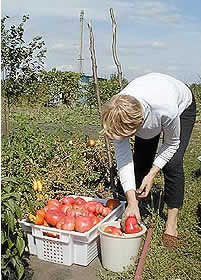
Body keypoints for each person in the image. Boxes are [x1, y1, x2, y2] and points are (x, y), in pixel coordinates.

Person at [101, 72, 196, 248]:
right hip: (148, 110)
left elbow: (172, 143)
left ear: (139, 123)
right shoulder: (119, 113)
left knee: (172, 163)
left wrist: (153, 174)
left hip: (183, 107)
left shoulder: (166, 108)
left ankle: (171, 223)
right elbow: (124, 159)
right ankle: (135, 206)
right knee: (141, 160)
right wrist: (131, 202)